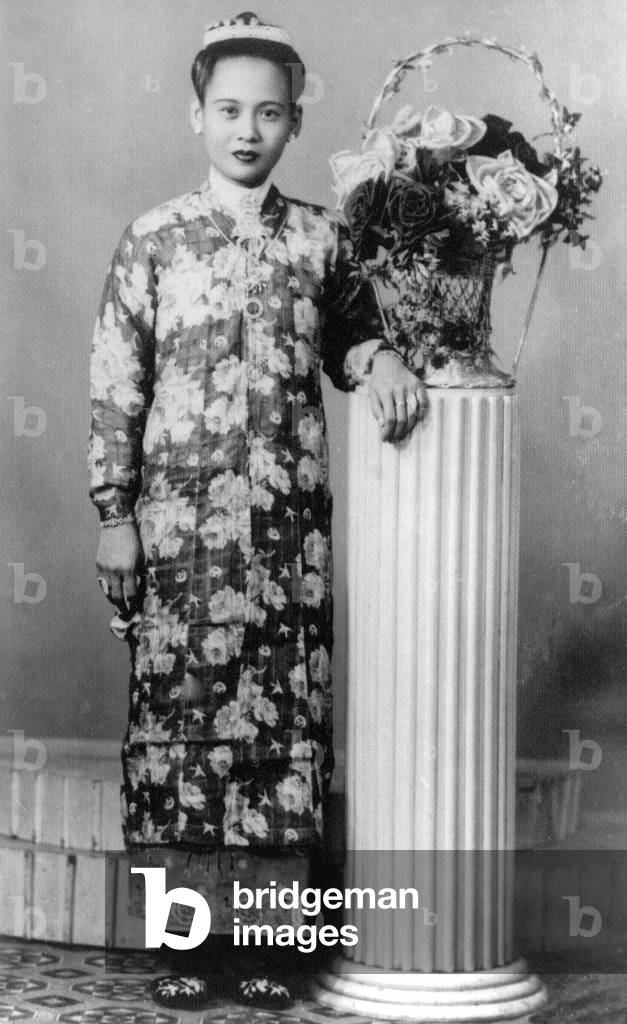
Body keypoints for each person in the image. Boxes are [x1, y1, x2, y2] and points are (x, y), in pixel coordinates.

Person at [88, 10, 426, 1008]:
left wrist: (385, 355)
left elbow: (356, 338)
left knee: (279, 740)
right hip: (180, 545)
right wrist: (116, 513)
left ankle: (275, 949)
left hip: (284, 547)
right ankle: (185, 949)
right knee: (180, 739)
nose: (248, 129)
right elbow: (116, 384)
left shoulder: (323, 240)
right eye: (229, 109)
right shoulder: (152, 240)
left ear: (293, 121)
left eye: (268, 112)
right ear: (197, 114)